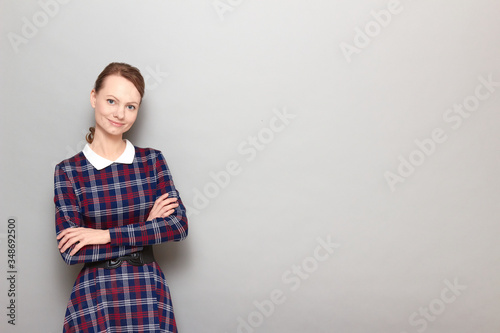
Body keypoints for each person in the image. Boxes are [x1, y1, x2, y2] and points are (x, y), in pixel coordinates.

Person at [54, 62, 188, 333]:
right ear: (94, 98)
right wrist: (148, 229)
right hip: (95, 297)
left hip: (148, 292)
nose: (120, 114)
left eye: (131, 106)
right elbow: (71, 251)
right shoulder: (68, 171)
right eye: (111, 101)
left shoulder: (152, 161)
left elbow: (178, 226)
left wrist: (104, 236)